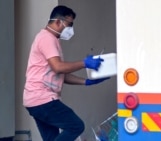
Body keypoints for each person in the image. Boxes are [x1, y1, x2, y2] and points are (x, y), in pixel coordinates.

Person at [23, 5, 109, 141]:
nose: (71, 29)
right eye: (69, 24)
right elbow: (58, 67)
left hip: (34, 100)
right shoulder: (47, 38)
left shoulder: (51, 39)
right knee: (76, 126)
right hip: (42, 98)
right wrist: (84, 63)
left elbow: (60, 73)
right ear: (58, 21)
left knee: (53, 138)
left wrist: (86, 81)